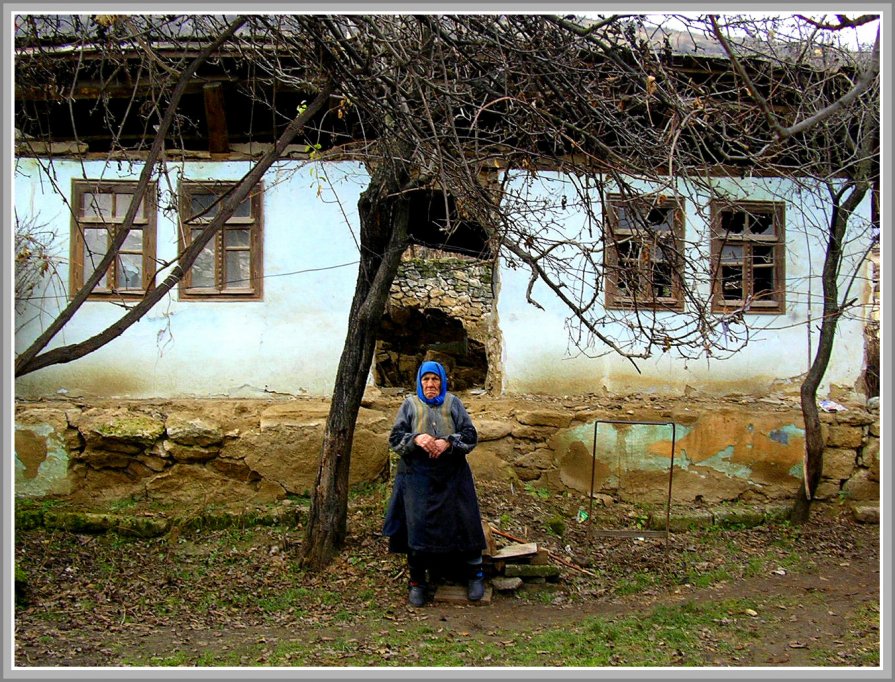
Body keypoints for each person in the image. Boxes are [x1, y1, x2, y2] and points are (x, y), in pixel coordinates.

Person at [382, 360, 487, 606]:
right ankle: (417, 582)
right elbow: (395, 438)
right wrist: (417, 438)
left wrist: (449, 441)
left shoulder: (453, 403)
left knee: (465, 521)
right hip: (417, 478)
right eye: (426, 379)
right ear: (420, 382)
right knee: (417, 526)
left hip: (453, 475)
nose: (430, 384)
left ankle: (475, 576)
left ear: (442, 381)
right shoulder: (410, 405)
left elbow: (471, 435)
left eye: (435, 379)